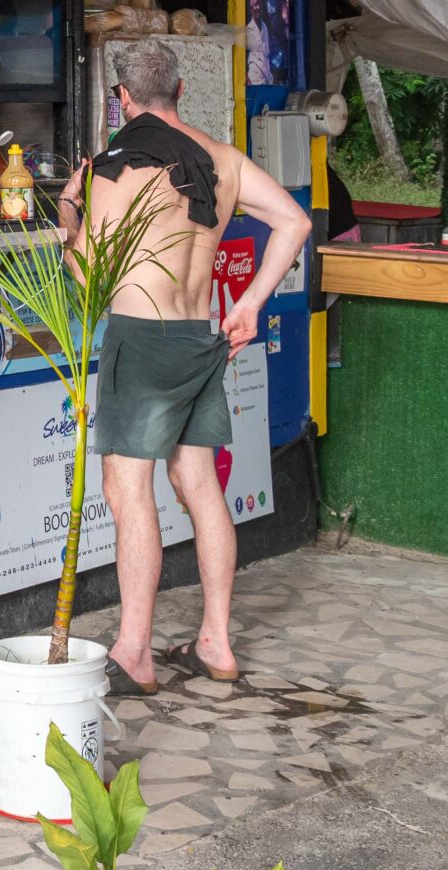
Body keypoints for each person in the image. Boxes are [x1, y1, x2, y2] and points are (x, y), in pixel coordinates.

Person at [59, 36, 312, 695]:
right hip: (199, 337)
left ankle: (135, 650)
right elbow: (294, 221)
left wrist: (68, 213)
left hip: (139, 342)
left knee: (128, 491)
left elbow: (84, 280)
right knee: (200, 485)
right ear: (179, 93)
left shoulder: (109, 170)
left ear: (121, 101)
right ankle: (216, 640)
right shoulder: (221, 161)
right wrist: (252, 303)